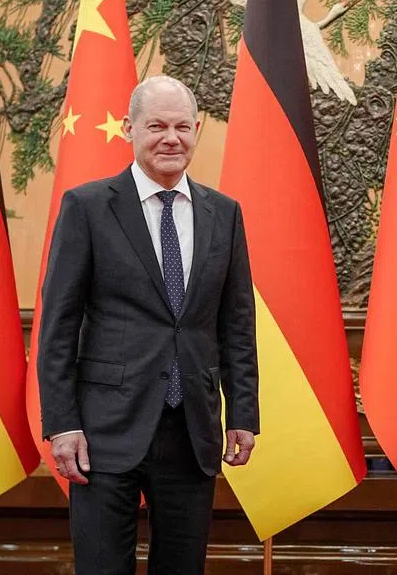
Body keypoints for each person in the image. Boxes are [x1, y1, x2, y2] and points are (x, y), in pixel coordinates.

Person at [38, 75, 259, 575]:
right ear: (128, 128)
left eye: (182, 126)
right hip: (103, 431)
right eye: (156, 125)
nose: (170, 138)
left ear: (198, 130)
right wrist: (63, 424)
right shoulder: (88, 206)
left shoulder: (224, 213)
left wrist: (243, 412)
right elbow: (58, 326)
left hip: (193, 430)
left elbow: (237, 323)